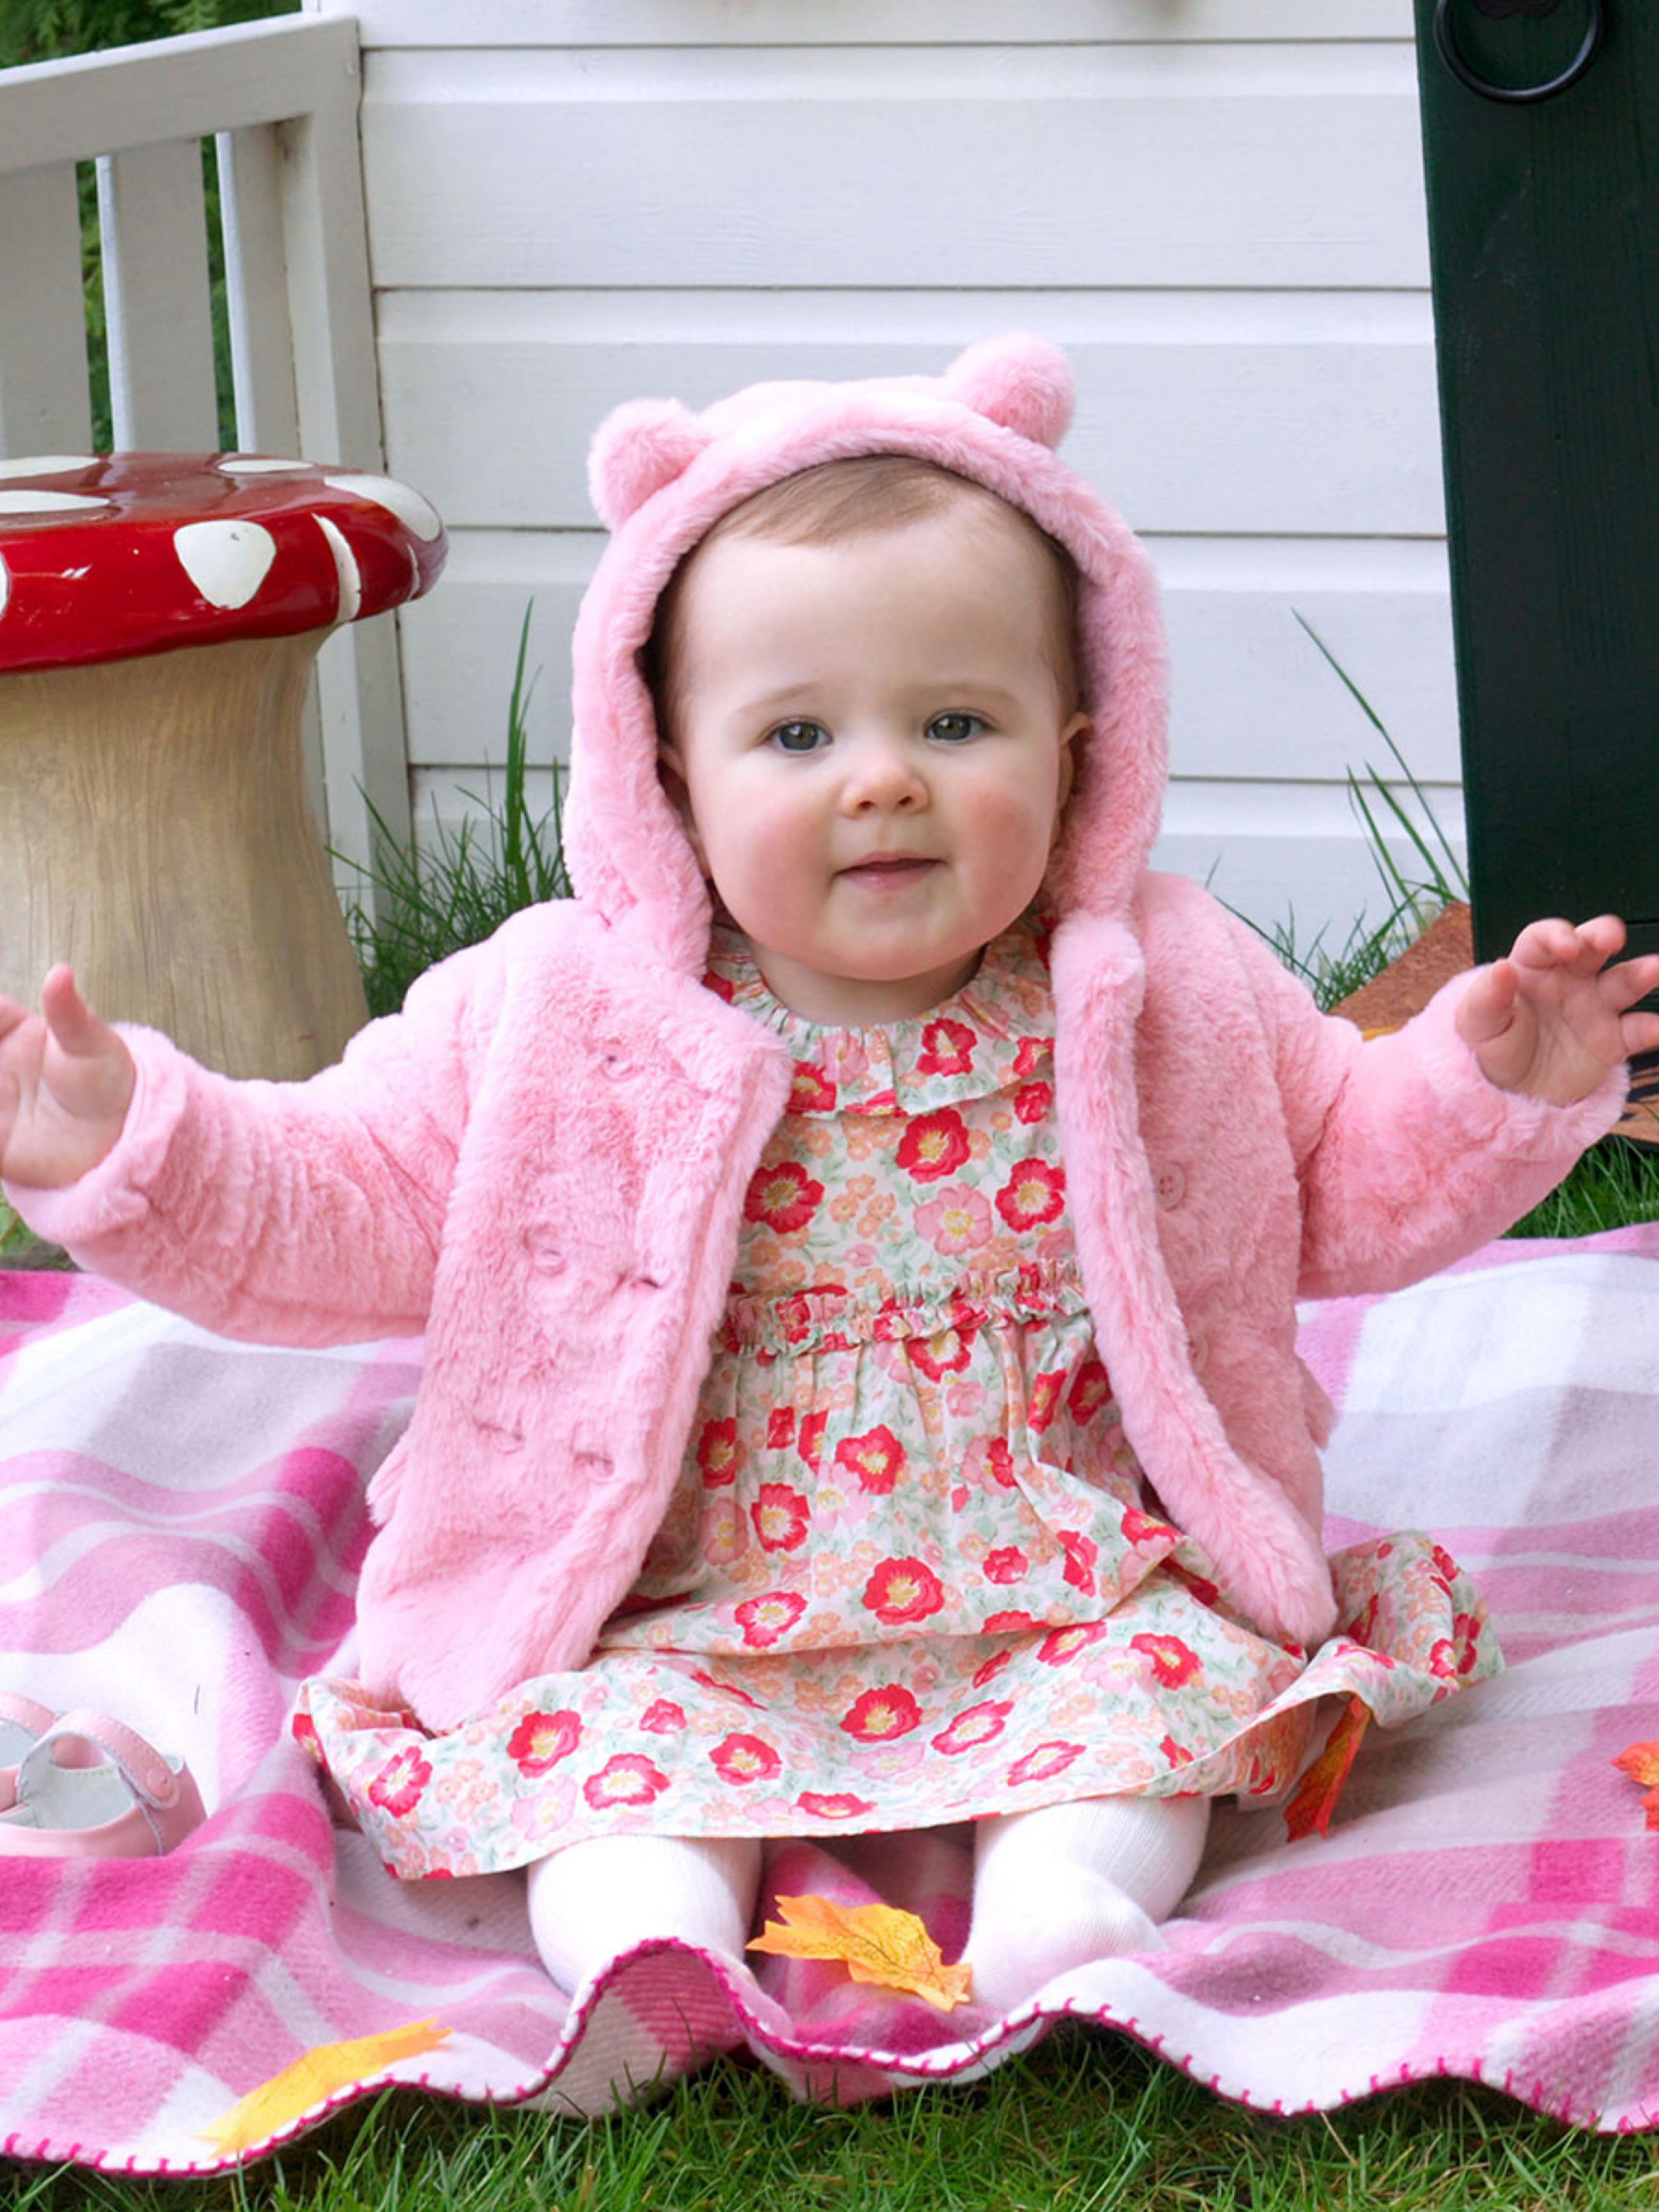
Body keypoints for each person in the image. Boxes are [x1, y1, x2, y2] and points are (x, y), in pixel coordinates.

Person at [2, 335, 1655, 2018]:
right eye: (794, 733)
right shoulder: (562, 1015)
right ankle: (644, 1949)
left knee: (1154, 1700)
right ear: (665, 774)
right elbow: (332, 1195)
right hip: (672, 1598)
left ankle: (1064, 1902)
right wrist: (134, 1140)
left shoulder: (1163, 986)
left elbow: (1337, 1184)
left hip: (1067, 1579)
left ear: (1077, 753)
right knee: (602, 1748)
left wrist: (1485, 1086)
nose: (882, 777)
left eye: (955, 721)